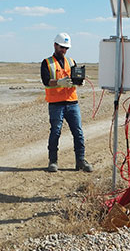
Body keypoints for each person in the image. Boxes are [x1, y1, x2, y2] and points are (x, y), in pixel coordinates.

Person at [40, 33, 93, 173]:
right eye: (62, 47)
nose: (64, 50)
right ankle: (53, 161)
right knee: (55, 132)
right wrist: (59, 82)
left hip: (72, 102)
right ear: (55, 45)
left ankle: (80, 161)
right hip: (56, 103)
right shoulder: (47, 63)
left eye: (66, 48)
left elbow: (76, 77)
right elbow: (46, 81)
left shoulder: (71, 61)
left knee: (78, 132)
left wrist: (79, 82)